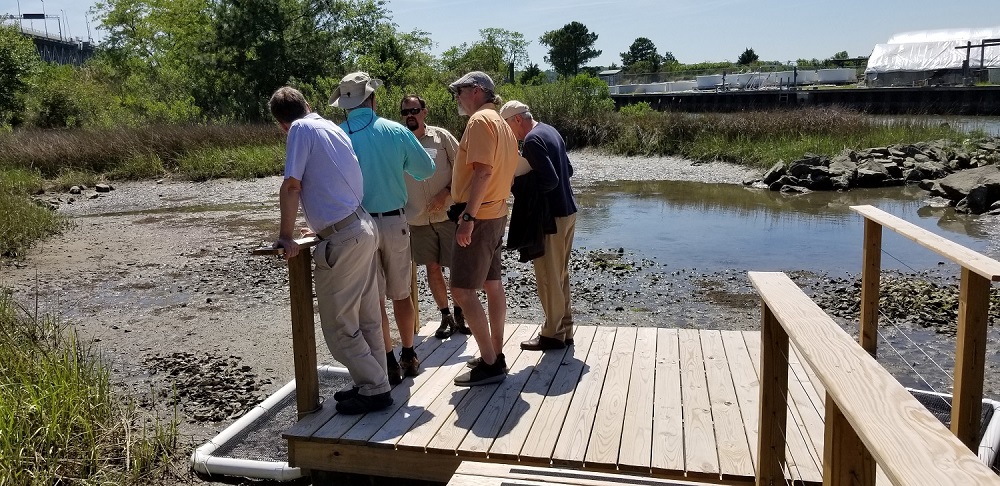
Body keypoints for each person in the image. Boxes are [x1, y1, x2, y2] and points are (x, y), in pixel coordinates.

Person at [268, 86, 391, 415]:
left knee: (338, 327)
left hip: (345, 237)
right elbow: (332, 181)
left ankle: (375, 388)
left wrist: (285, 236)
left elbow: (292, 184)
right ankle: (374, 382)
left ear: (281, 124)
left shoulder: (299, 128)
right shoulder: (331, 126)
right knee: (367, 318)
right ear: (308, 104)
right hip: (361, 226)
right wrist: (320, 226)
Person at [330, 72, 435, 385]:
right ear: (372, 99)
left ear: (345, 105)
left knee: (373, 298)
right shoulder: (395, 130)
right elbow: (425, 169)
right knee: (401, 293)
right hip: (393, 220)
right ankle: (409, 353)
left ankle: (386, 359)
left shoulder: (338, 135)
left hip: (358, 226)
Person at [447, 71, 520, 386]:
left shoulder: (479, 122)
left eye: (459, 92)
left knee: (462, 290)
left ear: (476, 91)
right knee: (492, 283)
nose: (458, 99)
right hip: (497, 214)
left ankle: (490, 363)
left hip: (479, 218)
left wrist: (467, 218)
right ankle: (495, 352)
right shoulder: (503, 124)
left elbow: (483, 172)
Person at [500, 100, 579, 351]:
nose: (509, 133)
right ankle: (564, 329)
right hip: (568, 212)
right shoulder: (550, 130)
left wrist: (517, 183)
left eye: (507, 127)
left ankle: (552, 334)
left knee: (547, 277)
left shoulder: (532, 140)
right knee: (561, 275)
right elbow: (568, 169)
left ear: (517, 120)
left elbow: (550, 180)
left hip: (551, 219)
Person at [399, 94, 469, 339]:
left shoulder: (442, 137)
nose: (410, 115)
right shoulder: (399, 141)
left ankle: (461, 312)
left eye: (414, 110)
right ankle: (445, 315)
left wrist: (447, 193)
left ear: (424, 112)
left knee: (457, 268)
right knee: (432, 267)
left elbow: (464, 167)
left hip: (447, 215)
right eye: (405, 111)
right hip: (417, 220)